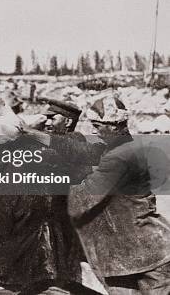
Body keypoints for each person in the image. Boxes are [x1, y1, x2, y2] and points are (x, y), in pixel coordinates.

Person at [0, 100, 101, 295]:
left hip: (37, 237)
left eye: (52, 118)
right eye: (45, 117)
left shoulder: (69, 144)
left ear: (67, 122)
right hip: (45, 232)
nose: (47, 122)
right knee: (50, 284)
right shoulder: (46, 146)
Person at [67, 94, 170, 295]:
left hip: (149, 256)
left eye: (97, 126)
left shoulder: (119, 158)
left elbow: (80, 201)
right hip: (133, 255)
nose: (93, 131)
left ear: (113, 126)